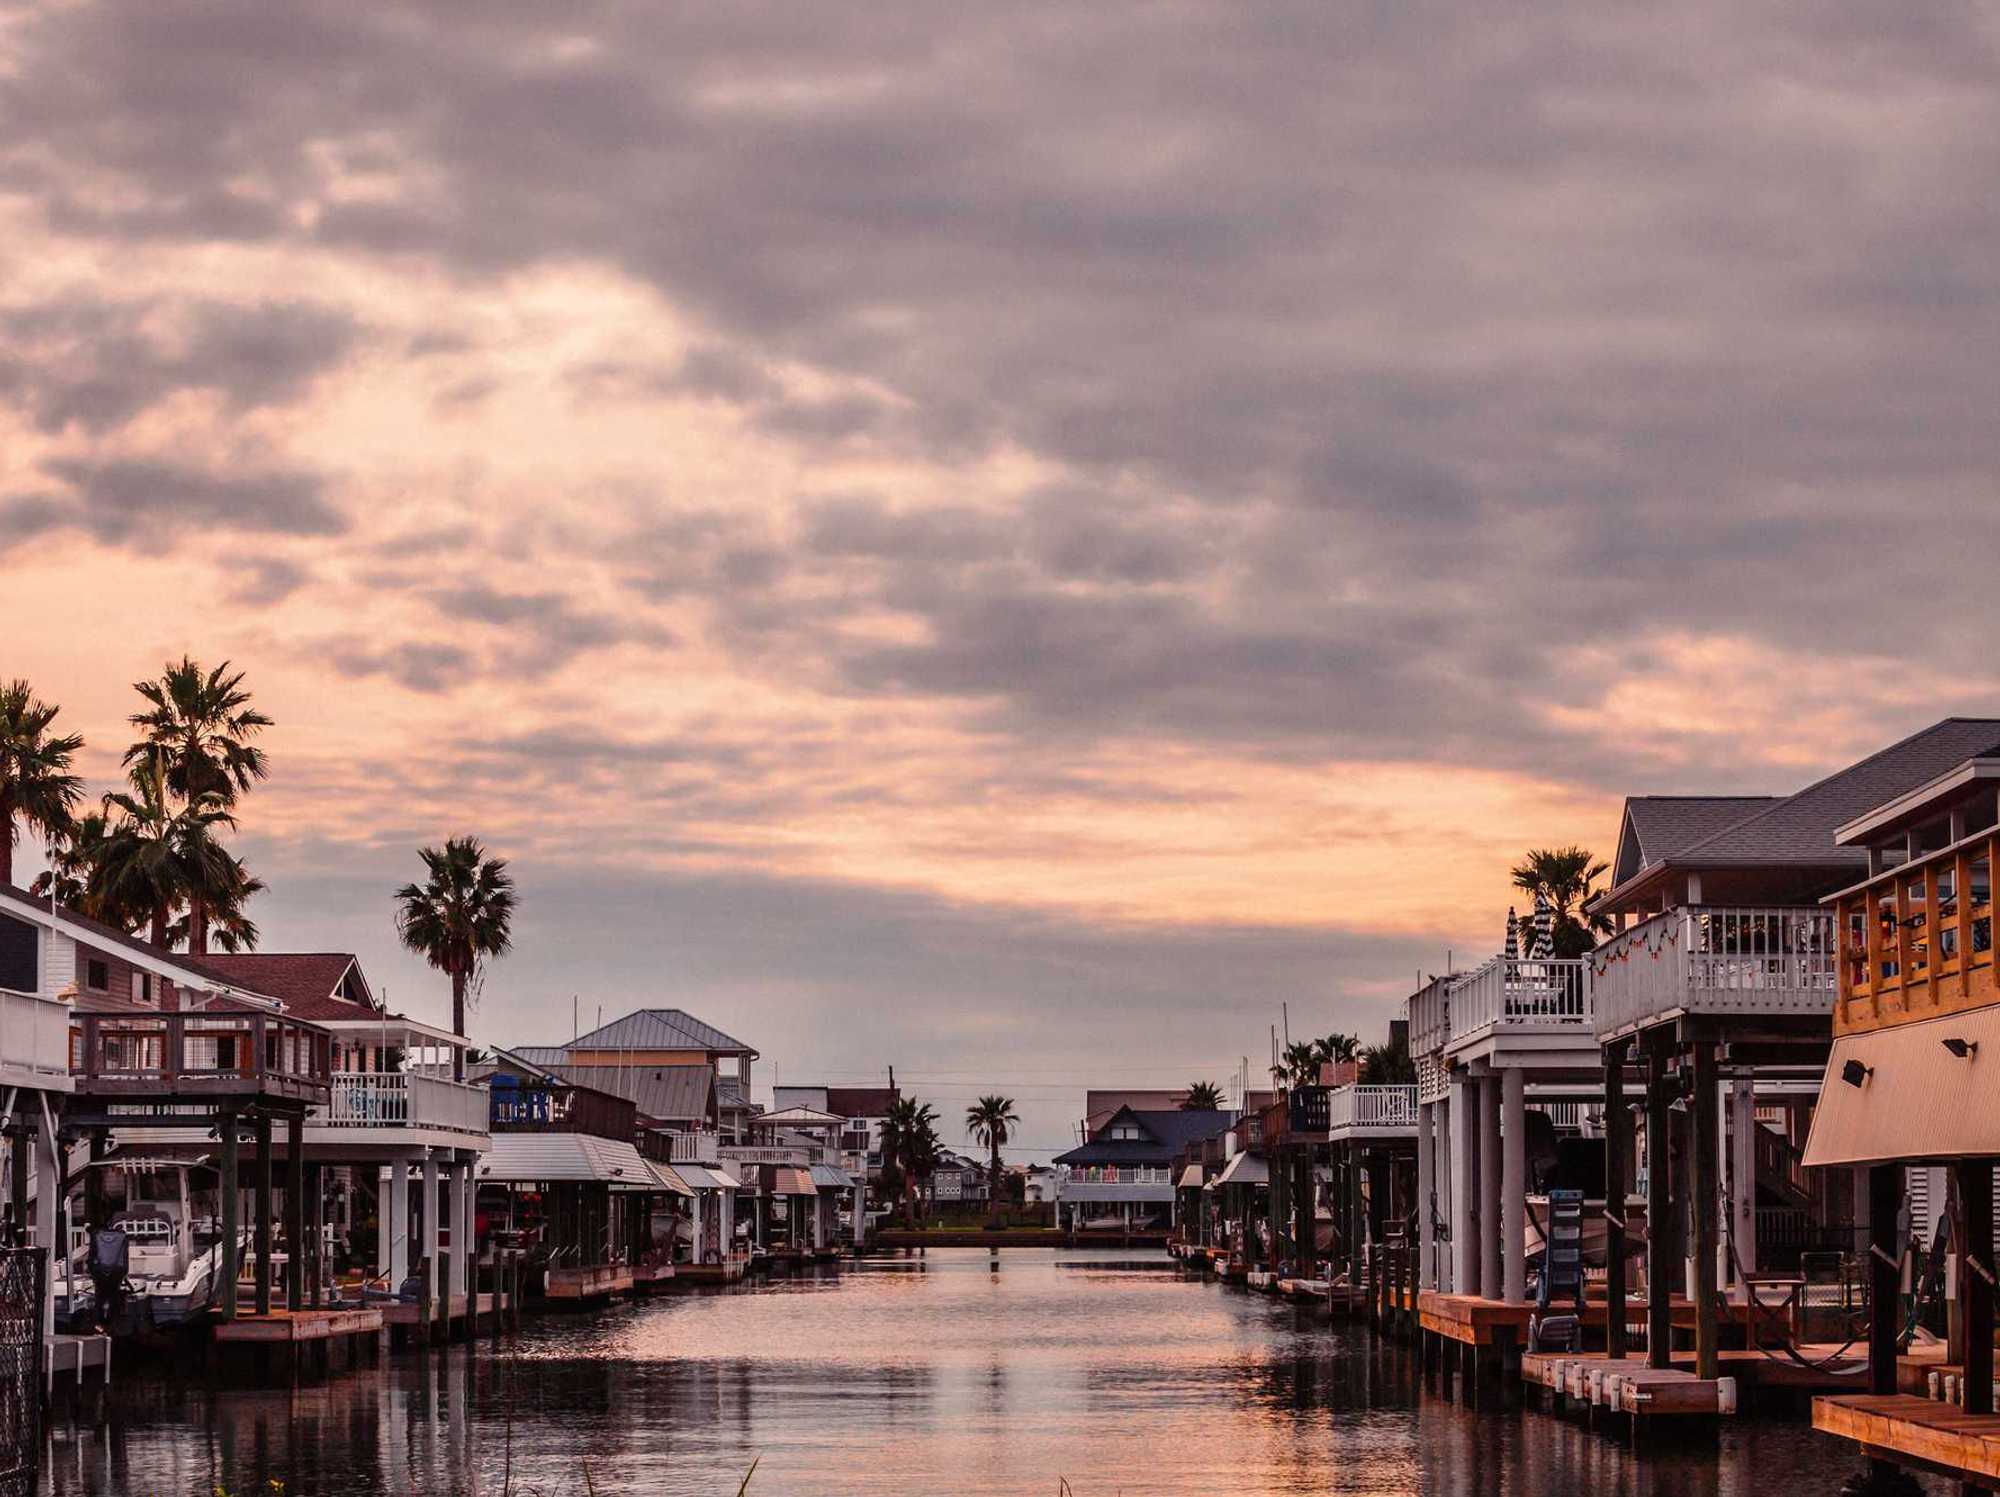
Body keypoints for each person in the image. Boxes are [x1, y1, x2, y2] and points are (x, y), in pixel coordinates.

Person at [87, 1220, 129, 1333]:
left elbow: (91, 1256)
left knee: (100, 1296)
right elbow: (124, 1257)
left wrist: (92, 1271)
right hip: (117, 1271)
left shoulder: (96, 1235)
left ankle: (99, 1325)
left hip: (100, 1271)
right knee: (114, 1295)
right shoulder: (122, 1236)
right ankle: (111, 1324)